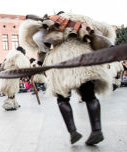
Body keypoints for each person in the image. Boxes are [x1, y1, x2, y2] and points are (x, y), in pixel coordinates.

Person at [20, 12, 116, 145]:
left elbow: (37, 38)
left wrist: (44, 49)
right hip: (84, 57)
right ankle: (97, 130)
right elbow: (105, 32)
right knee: (89, 96)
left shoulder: (51, 21)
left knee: (62, 98)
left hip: (60, 61)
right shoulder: (84, 19)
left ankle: (73, 132)